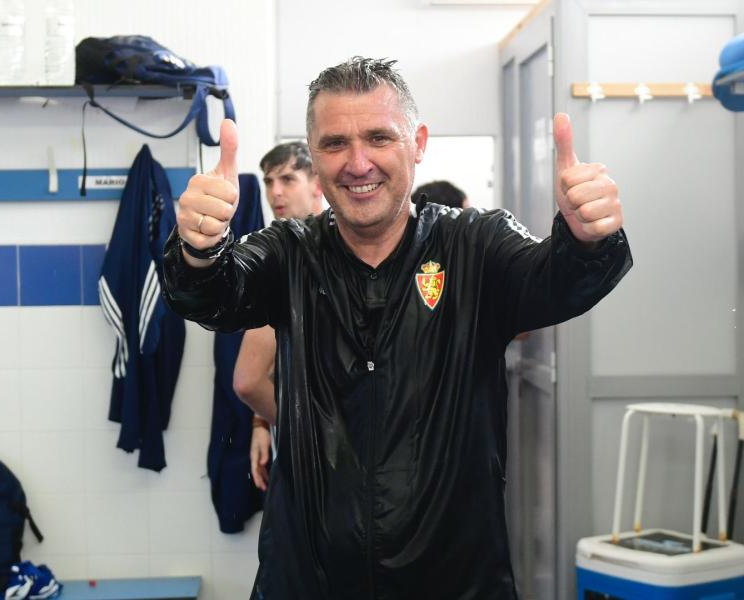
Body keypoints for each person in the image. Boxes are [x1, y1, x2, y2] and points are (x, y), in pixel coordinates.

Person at [163, 57, 632, 599]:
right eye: (335, 143)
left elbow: (556, 283)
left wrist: (587, 238)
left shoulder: (475, 245)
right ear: (314, 157)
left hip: (456, 581)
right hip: (307, 580)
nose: (358, 163)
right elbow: (212, 294)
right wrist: (199, 250)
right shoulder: (290, 253)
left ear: (418, 142)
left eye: (379, 137)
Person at [233, 141, 323, 491]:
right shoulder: (280, 257)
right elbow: (249, 379)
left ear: (318, 182)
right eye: (269, 182)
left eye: (287, 179)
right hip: (318, 452)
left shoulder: (307, 252)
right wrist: (265, 423)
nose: (275, 192)